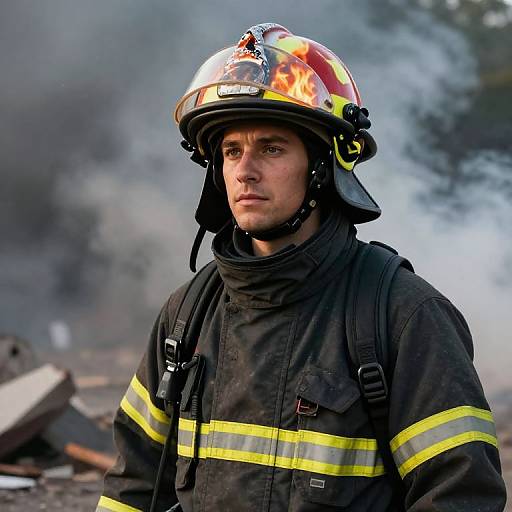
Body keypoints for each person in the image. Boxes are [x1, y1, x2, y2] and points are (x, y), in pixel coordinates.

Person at [96, 23, 506, 512]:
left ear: (322, 166)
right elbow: (133, 486)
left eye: (271, 148)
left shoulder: (402, 316)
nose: (245, 170)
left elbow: (461, 496)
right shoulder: (186, 317)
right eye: (231, 151)